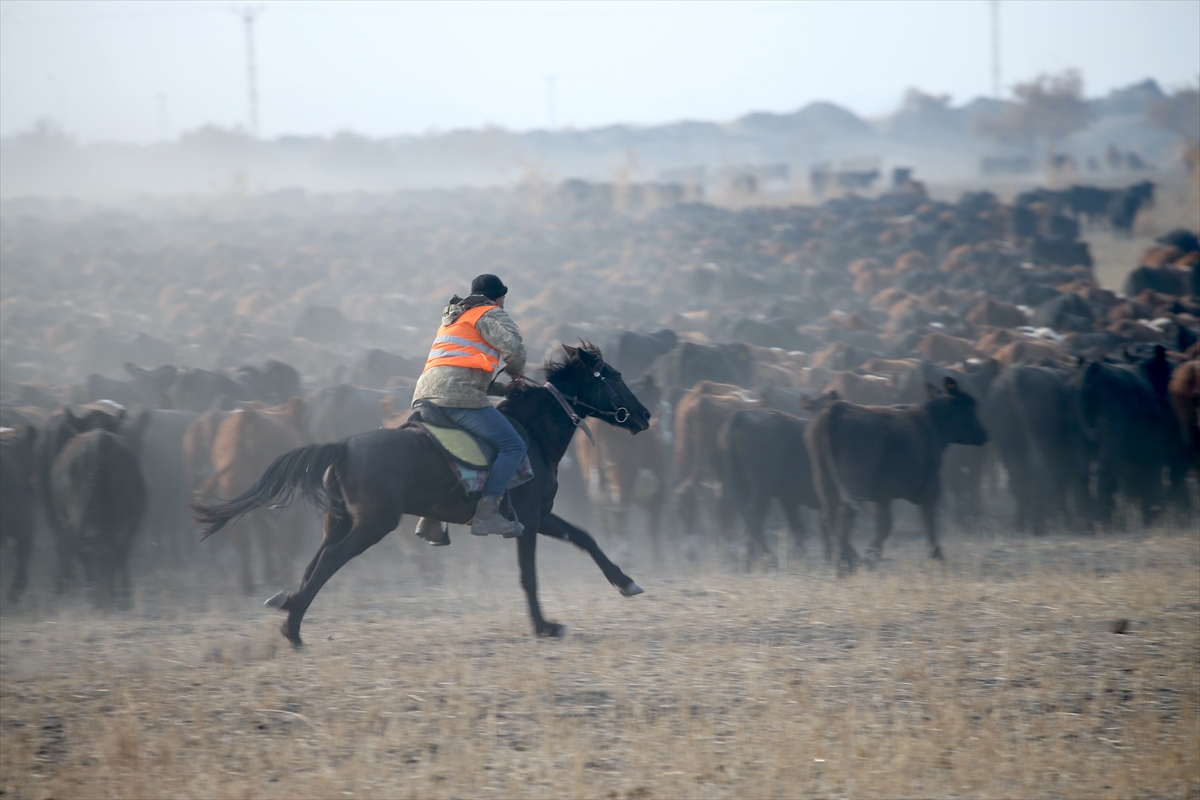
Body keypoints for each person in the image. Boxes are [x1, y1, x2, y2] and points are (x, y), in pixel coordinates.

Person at [411, 274, 528, 540]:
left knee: (448, 450)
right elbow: (515, 349)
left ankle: (429, 519)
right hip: (457, 399)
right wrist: (516, 372)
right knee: (513, 446)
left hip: (424, 396)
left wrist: (500, 390)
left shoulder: (454, 320)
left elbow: (458, 369)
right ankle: (488, 514)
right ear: (499, 297)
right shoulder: (490, 314)